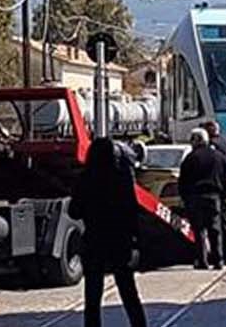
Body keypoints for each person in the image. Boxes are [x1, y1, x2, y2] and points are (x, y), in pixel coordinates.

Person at [70, 138, 147, 327]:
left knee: (93, 292)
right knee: (128, 289)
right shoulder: (122, 177)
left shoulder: (85, 178)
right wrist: (135, 238)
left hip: (95, 239)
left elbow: (74, 211)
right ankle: (139, 324)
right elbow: (131, 209)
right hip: (119, 239)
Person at [179, 128, 226, 270]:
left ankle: (202, 260)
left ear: (196, 140)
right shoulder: (219, 157)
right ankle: (218, 260)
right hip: (214, 196)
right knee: (215, 229)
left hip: (195, 197)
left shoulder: (190, 158)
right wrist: (224, 196)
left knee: (199, 230)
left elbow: (183, 181)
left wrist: (185, 198)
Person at [202, 119, 226, 264]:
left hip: (215, 188)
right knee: (224, 221)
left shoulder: (212, 147)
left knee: (213, 225)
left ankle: (217, 255)